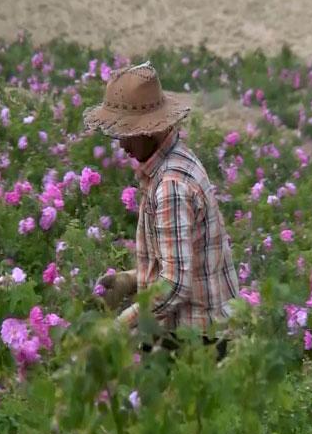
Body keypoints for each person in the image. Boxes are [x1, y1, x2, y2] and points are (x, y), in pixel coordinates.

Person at [83, 61, 239, 360]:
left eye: (127, 133)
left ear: (149, 131)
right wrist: (131, 279)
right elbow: (182, 263)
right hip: (201, 332)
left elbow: (176, 284)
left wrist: (117, 328)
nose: (122, 144)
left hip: (194, 342)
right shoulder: (179, 161)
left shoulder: (171, 185)